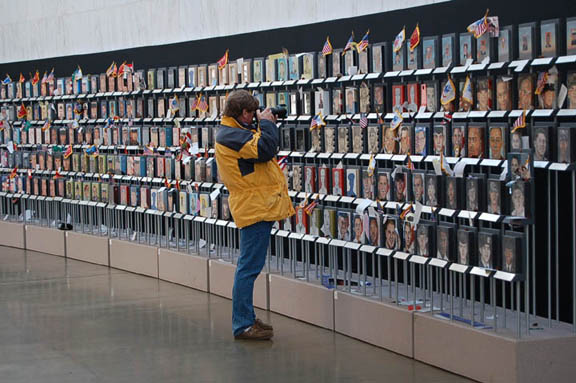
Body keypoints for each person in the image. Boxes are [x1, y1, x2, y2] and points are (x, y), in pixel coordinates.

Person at [215, 90, 293, 340]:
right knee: (248, 267)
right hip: (255, 208)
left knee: (248, 266)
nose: (253, 117)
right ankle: (243, 324)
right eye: (251, 113)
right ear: (243, 113)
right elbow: (266, 149)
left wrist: (263, 125)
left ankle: (245, 318)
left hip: (257, 205)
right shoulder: (232, 135)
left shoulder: (233, 132)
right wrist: (268, 124)